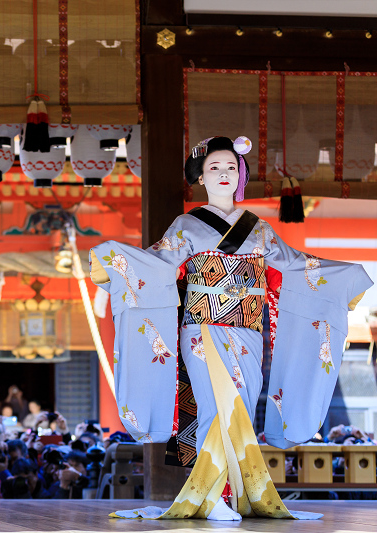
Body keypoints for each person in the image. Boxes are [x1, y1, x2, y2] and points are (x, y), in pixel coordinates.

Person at [90, 136, 372, 521]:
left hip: (248, 330)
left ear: (240, 175)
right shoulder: (186, 225)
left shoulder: (259, 229)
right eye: (214, 168)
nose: (223, 174)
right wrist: (113, 259)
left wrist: (346, 278)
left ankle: (237, 492)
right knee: (214, 406)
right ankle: (215, 496)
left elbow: (297, 266)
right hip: (203, 327)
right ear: (201, 179)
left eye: (230, 168)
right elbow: (154, 262)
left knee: (239, 405)